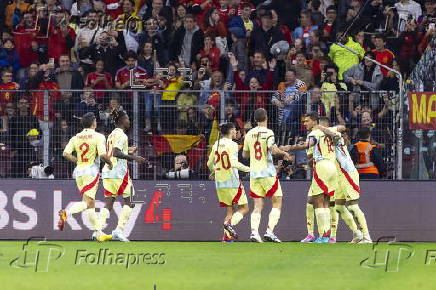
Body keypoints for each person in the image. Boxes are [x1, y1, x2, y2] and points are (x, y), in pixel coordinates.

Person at [57, 112, 113, 242]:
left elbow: (65, 153)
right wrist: (110, 164)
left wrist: (77, 161)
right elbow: (103, 155)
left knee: (90, 203)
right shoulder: (98, 136)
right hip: (91, 172)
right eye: (95, 121)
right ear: (93, 123)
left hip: (79, 172)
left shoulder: (76, 137)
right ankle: (66, 213)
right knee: (87, 202)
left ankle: (98, 233)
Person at [282, 112, 337, 243]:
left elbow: (308, 145)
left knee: (317, 202)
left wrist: (290, 147)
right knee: (324, 201)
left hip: (322, 167)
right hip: (332, 167)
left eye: (307, 121)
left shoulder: (314, 133)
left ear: (314, 121)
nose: (305, 124)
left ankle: (324, 235)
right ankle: (324, 235)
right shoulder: (328, 132)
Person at [315, 118, 370, 244]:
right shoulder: (321, 141)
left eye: (322, 125)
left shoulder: (336, 135)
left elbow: (336, 133)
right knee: (339, 206)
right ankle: (357, 232)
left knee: (353, 206)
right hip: (338, 176)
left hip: (347, 173)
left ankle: (367, 237)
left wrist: (322, 128)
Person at [242, 108, 290, 243]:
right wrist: (283, 153)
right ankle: (269, 231)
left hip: (254, 174)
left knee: (257, 205)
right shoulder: (268, 132)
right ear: (266, 118)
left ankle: (254, 233)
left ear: (255, 119)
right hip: (268, 173)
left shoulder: (249, 133)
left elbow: (245, 155)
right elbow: (273, 150)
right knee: (277, 201)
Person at [98, 110, 146, 242]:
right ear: (122, 121)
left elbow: (113, 151)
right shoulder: (122, 136)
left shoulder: (112, 134)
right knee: (130, 202)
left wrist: (128, 150)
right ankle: (118, 230)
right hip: (119, 173)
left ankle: (97, 231)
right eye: (127, 118)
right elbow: (116, 153)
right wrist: (135, 157)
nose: (129, 121)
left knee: (109, 203)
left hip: (107, 172)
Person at [207, 122, 250, 242]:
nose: (236, 132)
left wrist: (214, 171)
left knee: (230, 210)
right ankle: (229, 224)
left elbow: (209, 163)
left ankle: (226, 237)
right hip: (232, 181)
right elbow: (234, 163)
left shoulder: (217, 144)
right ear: (231, 131)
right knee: (244, 208)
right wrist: (250, 169)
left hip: (220, 182)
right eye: (235, 130)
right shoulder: (233, 145)